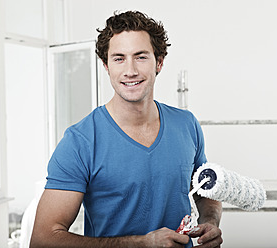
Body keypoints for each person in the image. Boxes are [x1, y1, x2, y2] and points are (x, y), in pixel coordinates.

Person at [30, 10, 222, 248]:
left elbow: (204, 189)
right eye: (119, 58)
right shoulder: (80, 141)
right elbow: (43, 239)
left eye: (140, 57)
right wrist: (141, 243)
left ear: (159, 62)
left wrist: (210, 221)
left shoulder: (187, 124)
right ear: (106, 65)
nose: (130, 70)